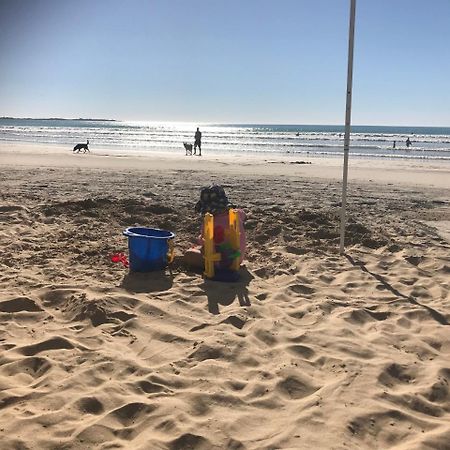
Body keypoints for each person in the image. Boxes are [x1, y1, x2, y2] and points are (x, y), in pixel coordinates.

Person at [183, 185, 246, 271]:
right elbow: (243, 215)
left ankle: (216, 268)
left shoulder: (209, 221)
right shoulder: (237, 214)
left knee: (189, 254)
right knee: (225, 247)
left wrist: (198, 241)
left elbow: (205, 241)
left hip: (217, 261)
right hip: (237, 258)